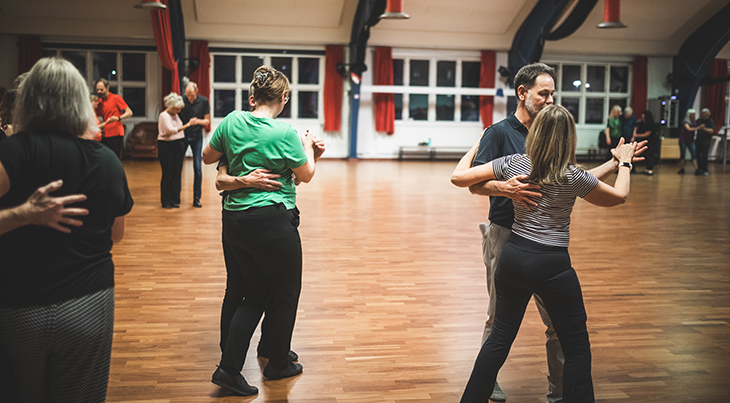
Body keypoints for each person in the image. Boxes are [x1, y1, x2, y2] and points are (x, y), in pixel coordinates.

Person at [453, 104, 642, 403]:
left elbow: (459, 177)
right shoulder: (573, 176)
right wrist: (626, 164)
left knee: (499, 339)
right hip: (552, 266)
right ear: (569, 138)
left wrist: (476, 147)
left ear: (537, 134)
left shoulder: (514, 163)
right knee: (577, 347)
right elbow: (618, 196)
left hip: (513, 259)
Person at [0, 57, 133, 402]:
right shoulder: (107, 161)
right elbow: (116, 235)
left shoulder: (12, 153)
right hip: (88, 305)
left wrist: (21, 215)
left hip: (18, 306)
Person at [202, 65, 324, 396]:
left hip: (234, 221)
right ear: (284, 98)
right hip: (271, 222)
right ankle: (277, 364)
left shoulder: (231, 121)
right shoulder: (284, 133)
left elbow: (207, 155)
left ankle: (231, 366)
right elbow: (306, 174)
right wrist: (310, 147)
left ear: (253, 97)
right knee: (285, 293)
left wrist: (235, 155)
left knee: (253, 292)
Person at [157, 92, 192, 209]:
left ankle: (175, 199)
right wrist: (187, 125)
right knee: (167, 173)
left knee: (177, 172)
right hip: (166, 145)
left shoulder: (175, 114)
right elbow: (171, 130)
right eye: (176, 109)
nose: (179, 111)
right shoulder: (164, 115)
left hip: (177, 144)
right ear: (170, 106)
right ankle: (166, 201)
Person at [179, 81, 211, 208]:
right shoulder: (182, 100)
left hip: (197, 136)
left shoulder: (203, 101)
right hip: (183, 136)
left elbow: (207, 120)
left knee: (197, 167)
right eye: (187, 95)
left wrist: (197, 121)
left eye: (191, 95)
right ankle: (176, 197)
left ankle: (196, 198)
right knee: (178, 167)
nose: (189, 98)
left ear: (196, 92)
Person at [95, 78, 133, 159]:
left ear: (107, 88)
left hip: (116, 133)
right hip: (105, 133)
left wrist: (118, 118)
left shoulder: (116, 98)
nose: (99, 92)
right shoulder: (99, 101)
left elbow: (129, 112)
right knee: (105, 158)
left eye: (101, 90)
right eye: (97, 90)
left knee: (115, 158)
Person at [632, 111, 659, 175]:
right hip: (645, 142)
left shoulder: (650, 124)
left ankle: (650, 169)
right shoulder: (642, 123)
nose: (643, 119)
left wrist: (637, 135)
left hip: (651, 142)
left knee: (650, 156)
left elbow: (647, 134)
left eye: (644, 118)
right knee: (645, 156)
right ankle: (646, 169)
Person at [677, 109, 698, 175]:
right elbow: (688, 129)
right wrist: (698, 128)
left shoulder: (694, 121)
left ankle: (696, 169)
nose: (694, 115)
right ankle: (682, 168)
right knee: (682, 154)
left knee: (694, 154)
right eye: (692, 114)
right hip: (683, 140)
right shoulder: (685, 122)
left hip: (690, 140)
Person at [695, 108, 714, 176]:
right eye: (702, 115)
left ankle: (705, 169)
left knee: (704, 155)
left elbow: (711, 131)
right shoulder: (699, 120)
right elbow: (695, 126)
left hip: (706, 141)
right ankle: (699, 169)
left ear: (708, 114)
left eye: (705, 115)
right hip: (698, 141)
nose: (704, 116)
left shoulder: (710, 121)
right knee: (697, 155)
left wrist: (704, 128)